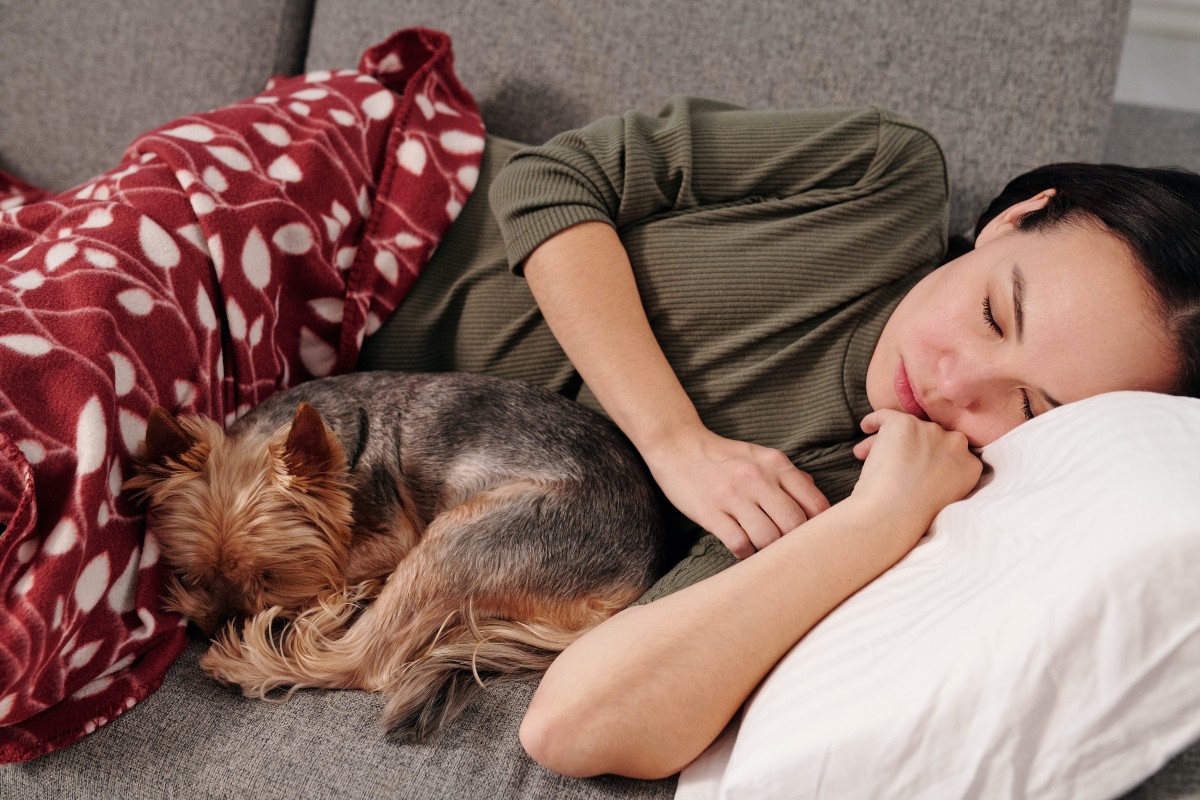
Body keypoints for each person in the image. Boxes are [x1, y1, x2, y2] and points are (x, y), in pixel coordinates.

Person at [358, 96, 1200, 778]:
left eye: (1029, 409)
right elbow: (550, 178)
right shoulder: (884, 177)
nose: (953, 382)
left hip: (320, 397)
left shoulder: (832, 496)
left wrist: (872, 526)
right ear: (1017, 218)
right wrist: (674, 441)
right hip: (362, 199)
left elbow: (575, 724)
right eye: (992, 312)